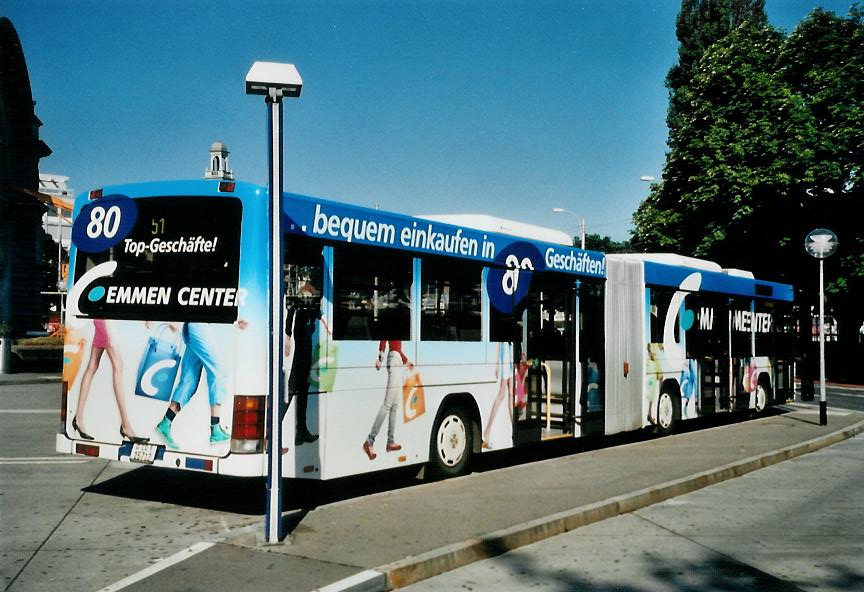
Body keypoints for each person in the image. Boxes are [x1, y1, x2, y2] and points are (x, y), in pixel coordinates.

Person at [154, 320, 246, 449]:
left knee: (189, 380)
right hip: (198, 325)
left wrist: (233, 319)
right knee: (218, 372)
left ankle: (166, 422)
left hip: (192, 326)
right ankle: (215, 429)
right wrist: (174, 317)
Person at [73, 318, 147, 443]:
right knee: (118, 366)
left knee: (92, 366)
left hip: (101, 319)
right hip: (105, 322)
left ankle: (78, 418)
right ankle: (125, 425)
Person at [284, 279, 328, 446]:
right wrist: (288, 343)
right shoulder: (299, 310)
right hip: (299, 356)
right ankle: (271, 434)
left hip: (306, 356)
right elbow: (289, 327)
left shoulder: (309, 310)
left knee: (302, 392)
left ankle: (301, 432)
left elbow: (321, 317)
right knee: (291, 391)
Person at [363, 340, 413, 460]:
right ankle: (369, 442)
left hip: (397, 360)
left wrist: (407, 361)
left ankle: (390, 442)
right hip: (394, 360)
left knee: (395, 405)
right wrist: (380, 357)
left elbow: (398, 349)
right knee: (388, 404)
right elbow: (384, 340)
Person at [482, 339, 514, 449]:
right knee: (502, 394)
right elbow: (498, 343)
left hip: (511, 354)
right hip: (505, 357)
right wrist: (497, 364)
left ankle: (514, 428)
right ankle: (487, 430)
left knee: (510, 393)